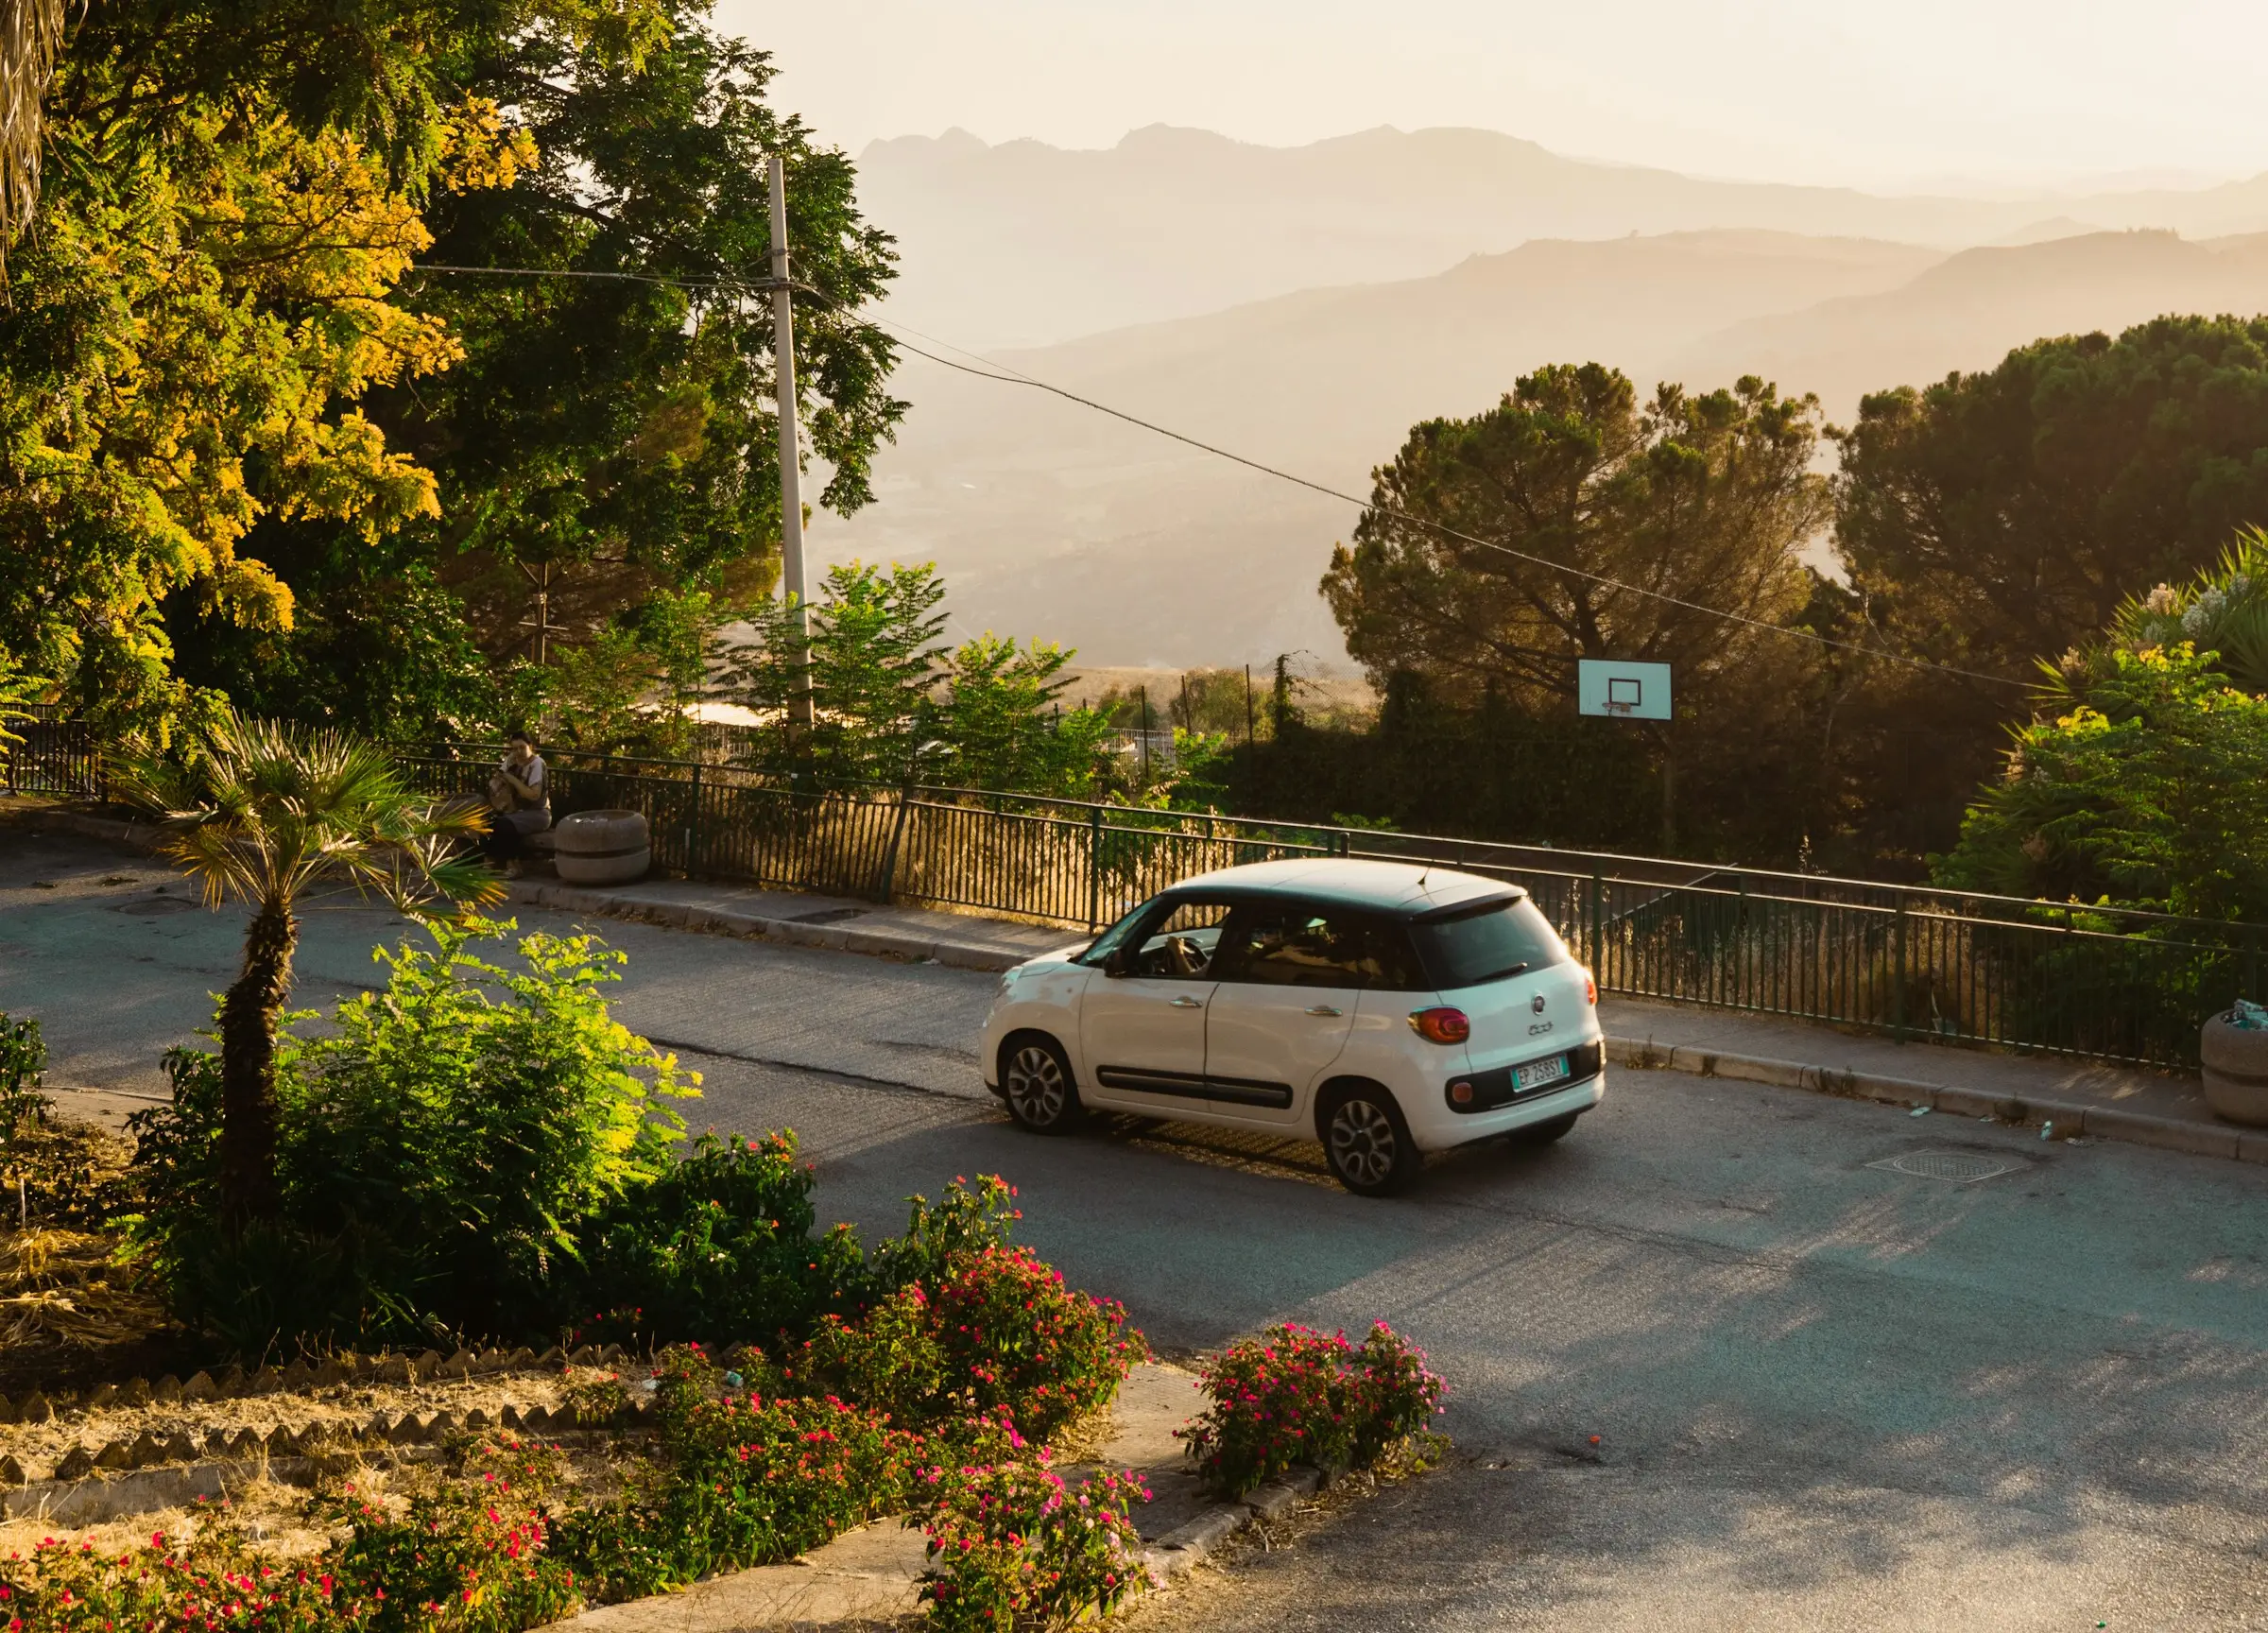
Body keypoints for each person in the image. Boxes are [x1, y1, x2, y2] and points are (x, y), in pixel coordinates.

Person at [482, 731, 552, 872]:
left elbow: (533, 795)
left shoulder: (537, 764)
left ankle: (513, 865)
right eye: (514, 748)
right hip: (514, 812)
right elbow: (499, 781)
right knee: (487, 822)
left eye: (522, 747)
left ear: (530, 746)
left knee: (505, 825)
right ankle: (489, 862)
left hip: (538, 813)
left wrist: (511, 778)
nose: (518, 752)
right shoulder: (511, 759)